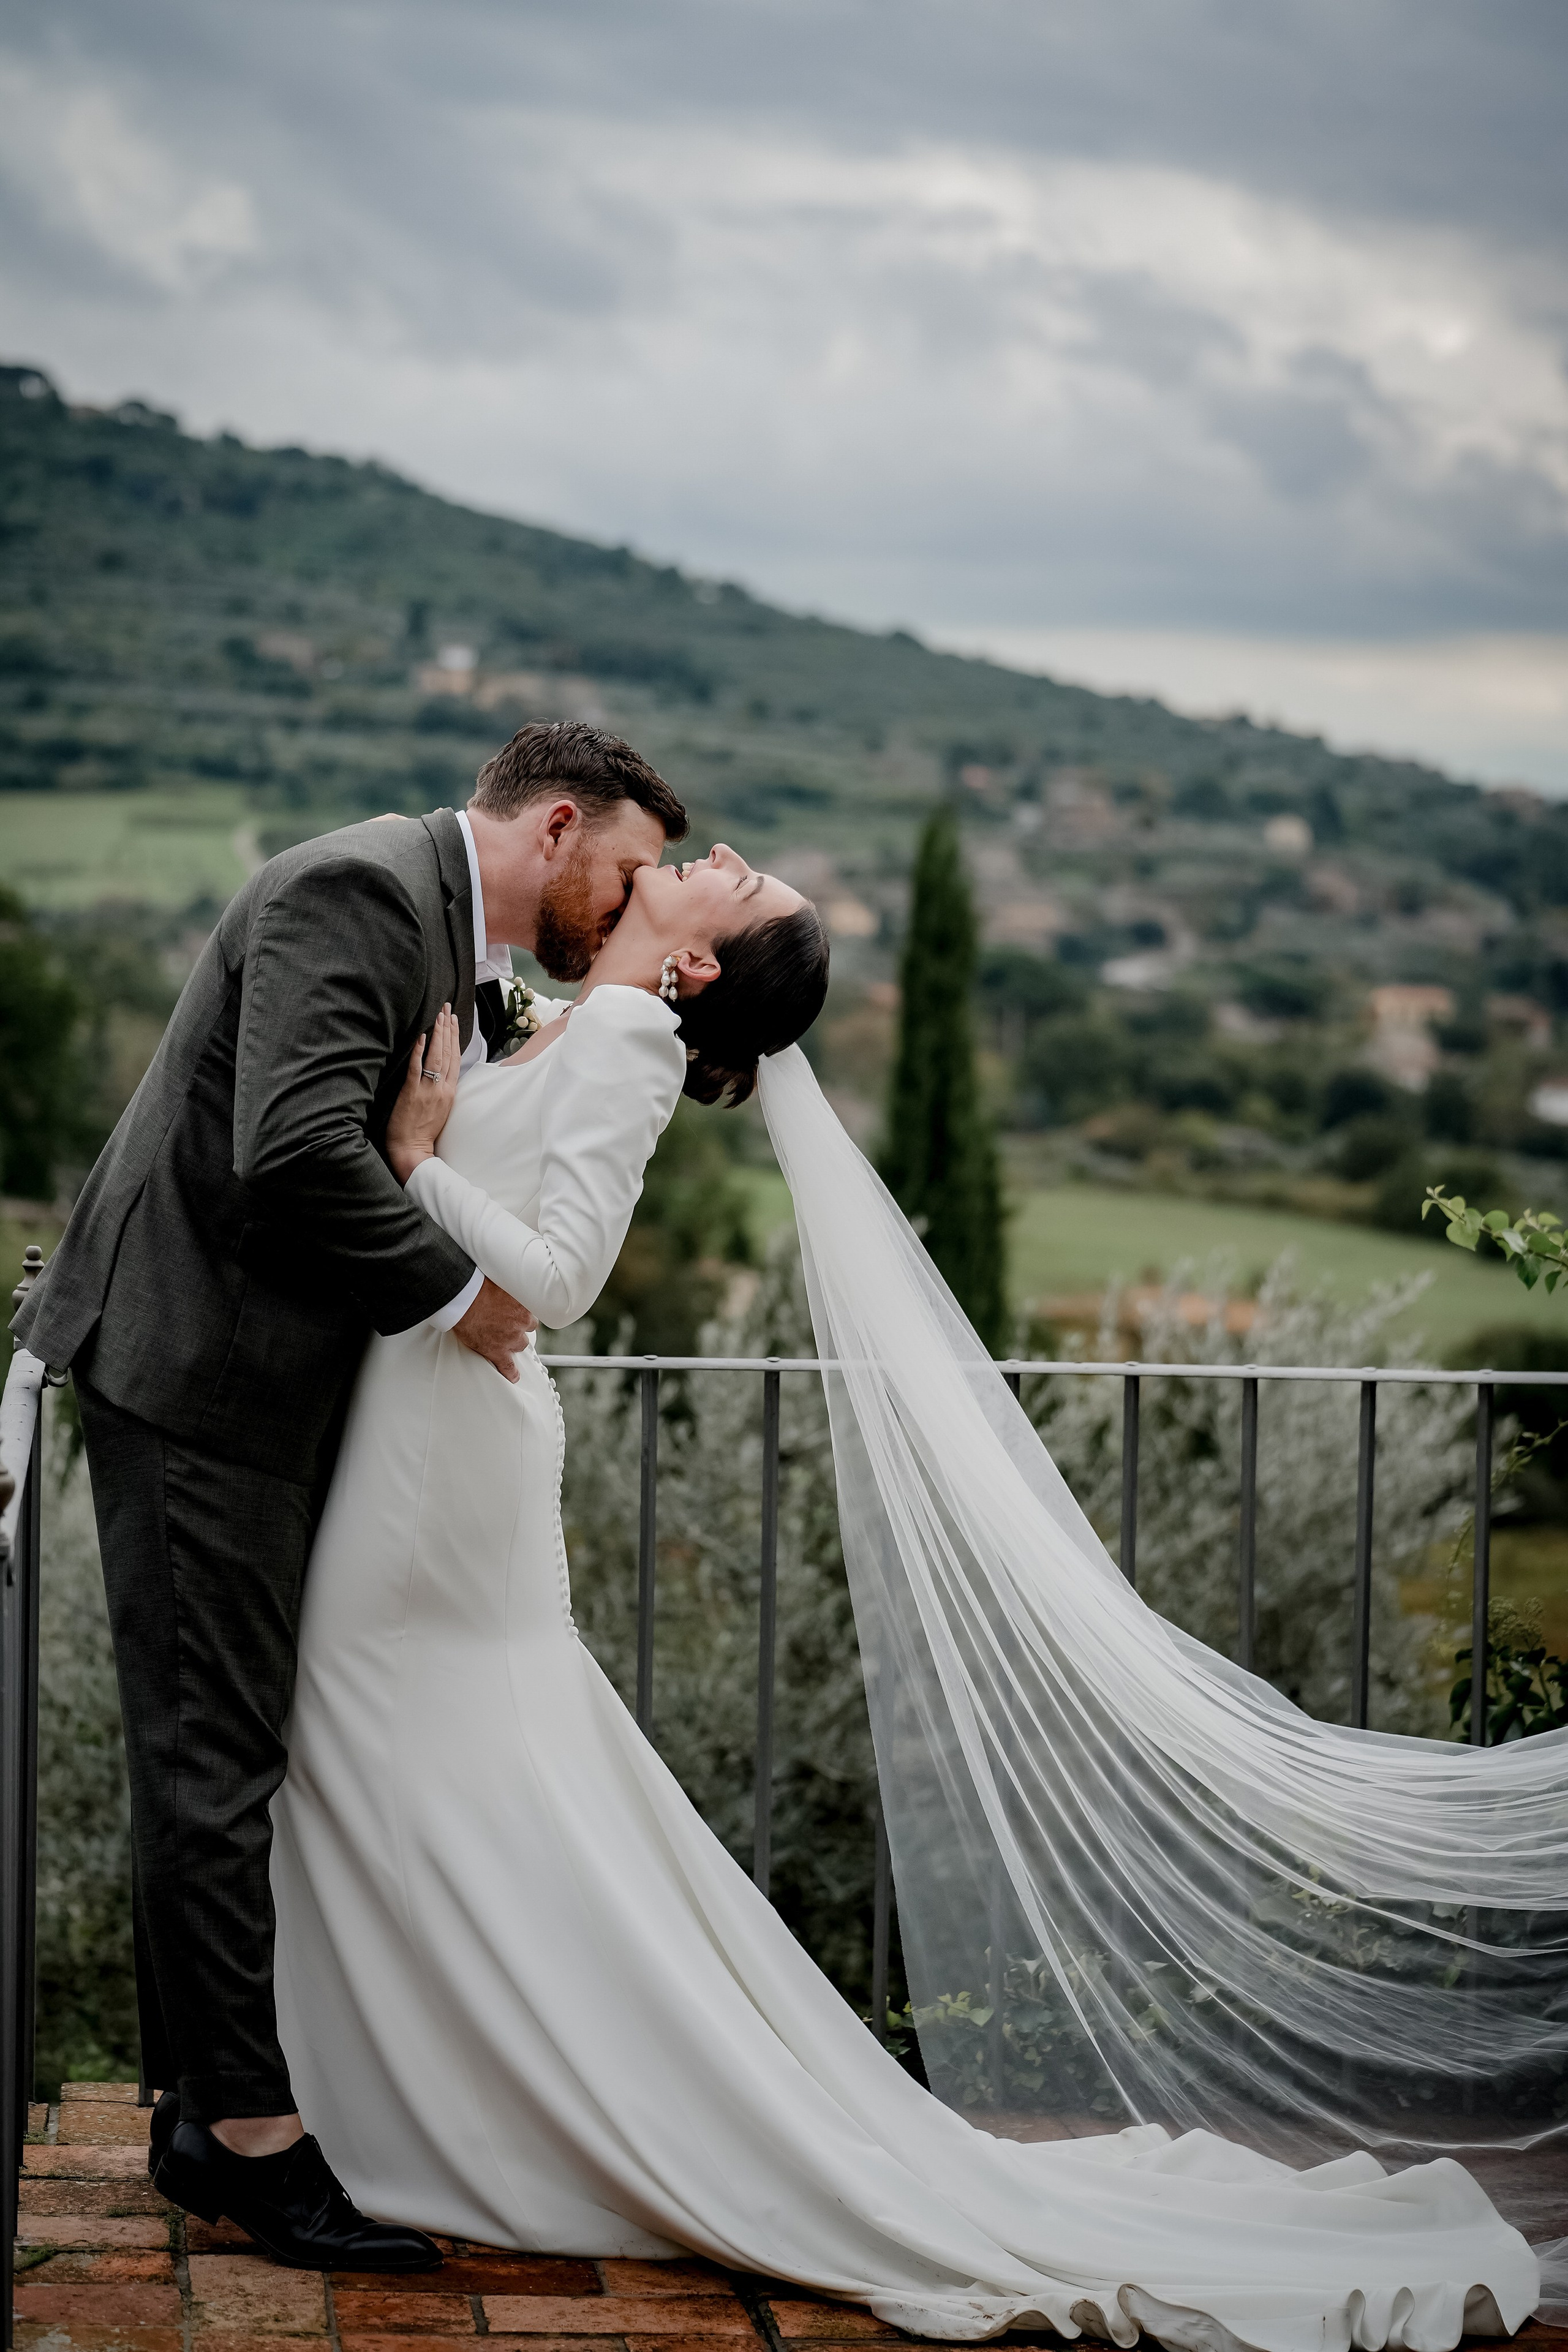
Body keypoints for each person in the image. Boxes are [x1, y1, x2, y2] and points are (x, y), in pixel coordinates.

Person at [266, 846, 1540, 2350]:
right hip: (437, 1433)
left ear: (692, 972)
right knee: (426, 1766)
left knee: (381, 1742)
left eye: (733, 886)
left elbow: (555, 1283)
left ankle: (415, 2107)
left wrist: (412, 1161)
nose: (717, 857)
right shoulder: (567, 1023)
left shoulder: (621, 1038)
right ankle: (431, 2096)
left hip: (441, 1461)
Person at [9, 720, 688, 2271]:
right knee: (212, 1756)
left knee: (233, 1739)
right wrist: (467, 1298)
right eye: (633, 869)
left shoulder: (440, 932)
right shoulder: (365, 895)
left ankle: (203, 2101)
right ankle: (249, 2144)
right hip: (198, 1374)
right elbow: (294, 1146)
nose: (631, 899)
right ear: (561, 826)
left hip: (260, 1382)